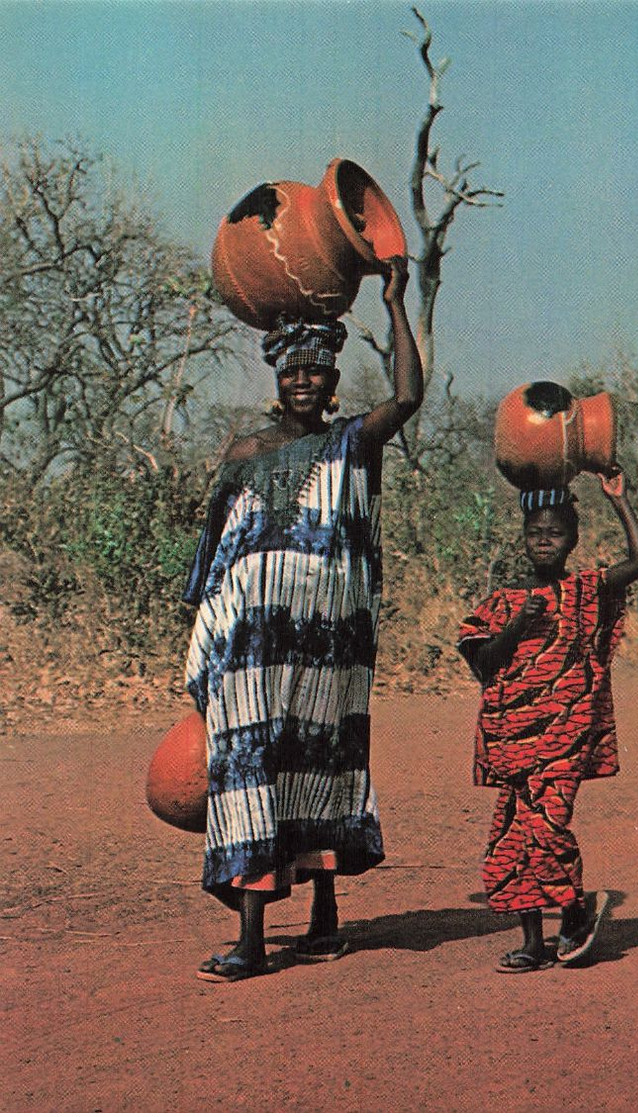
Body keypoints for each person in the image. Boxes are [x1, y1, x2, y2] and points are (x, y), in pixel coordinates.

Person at [183, 256, 422, 982]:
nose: (303, 380)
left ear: (333, 381)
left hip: (327, 644)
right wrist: (205, 632)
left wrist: (394, 301)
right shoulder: (245, 451)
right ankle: (254, 941)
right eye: (292, 370)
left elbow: (409, 394)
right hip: (255, 648)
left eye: (317, 371)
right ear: (276, 376)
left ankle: (323, 919)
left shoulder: (354, 441)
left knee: (319, 764)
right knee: (251, 770)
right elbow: (214, 556)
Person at [457, 473, 638, 973]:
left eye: (556, 533)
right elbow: (482, 666)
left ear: (573, 540)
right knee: (512, 837)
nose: (544, 540)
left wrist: (619, 500)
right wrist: (519, 624)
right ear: (523, 538)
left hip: (566, 734)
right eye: (535, 532)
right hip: (512, 738)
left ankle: (573, 912)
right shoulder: (501, 602)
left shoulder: (587, 589)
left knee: (547, 826)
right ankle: (532, 942)